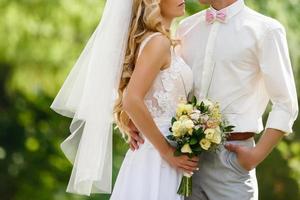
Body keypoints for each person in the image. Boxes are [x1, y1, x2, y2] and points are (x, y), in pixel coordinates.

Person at [129, 0, 299, 199]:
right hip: (185, 158)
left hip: (232, 159)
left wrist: (255, 155)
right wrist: (132, 120)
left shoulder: (266, 30)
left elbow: (286, 104)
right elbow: (166, 82)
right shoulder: (186, 27)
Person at [51, 0, 198, 198]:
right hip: (157, 158)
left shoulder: (158, 41)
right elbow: (131, 99)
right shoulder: (157, 42)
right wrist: (167, 152)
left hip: (157, 151)